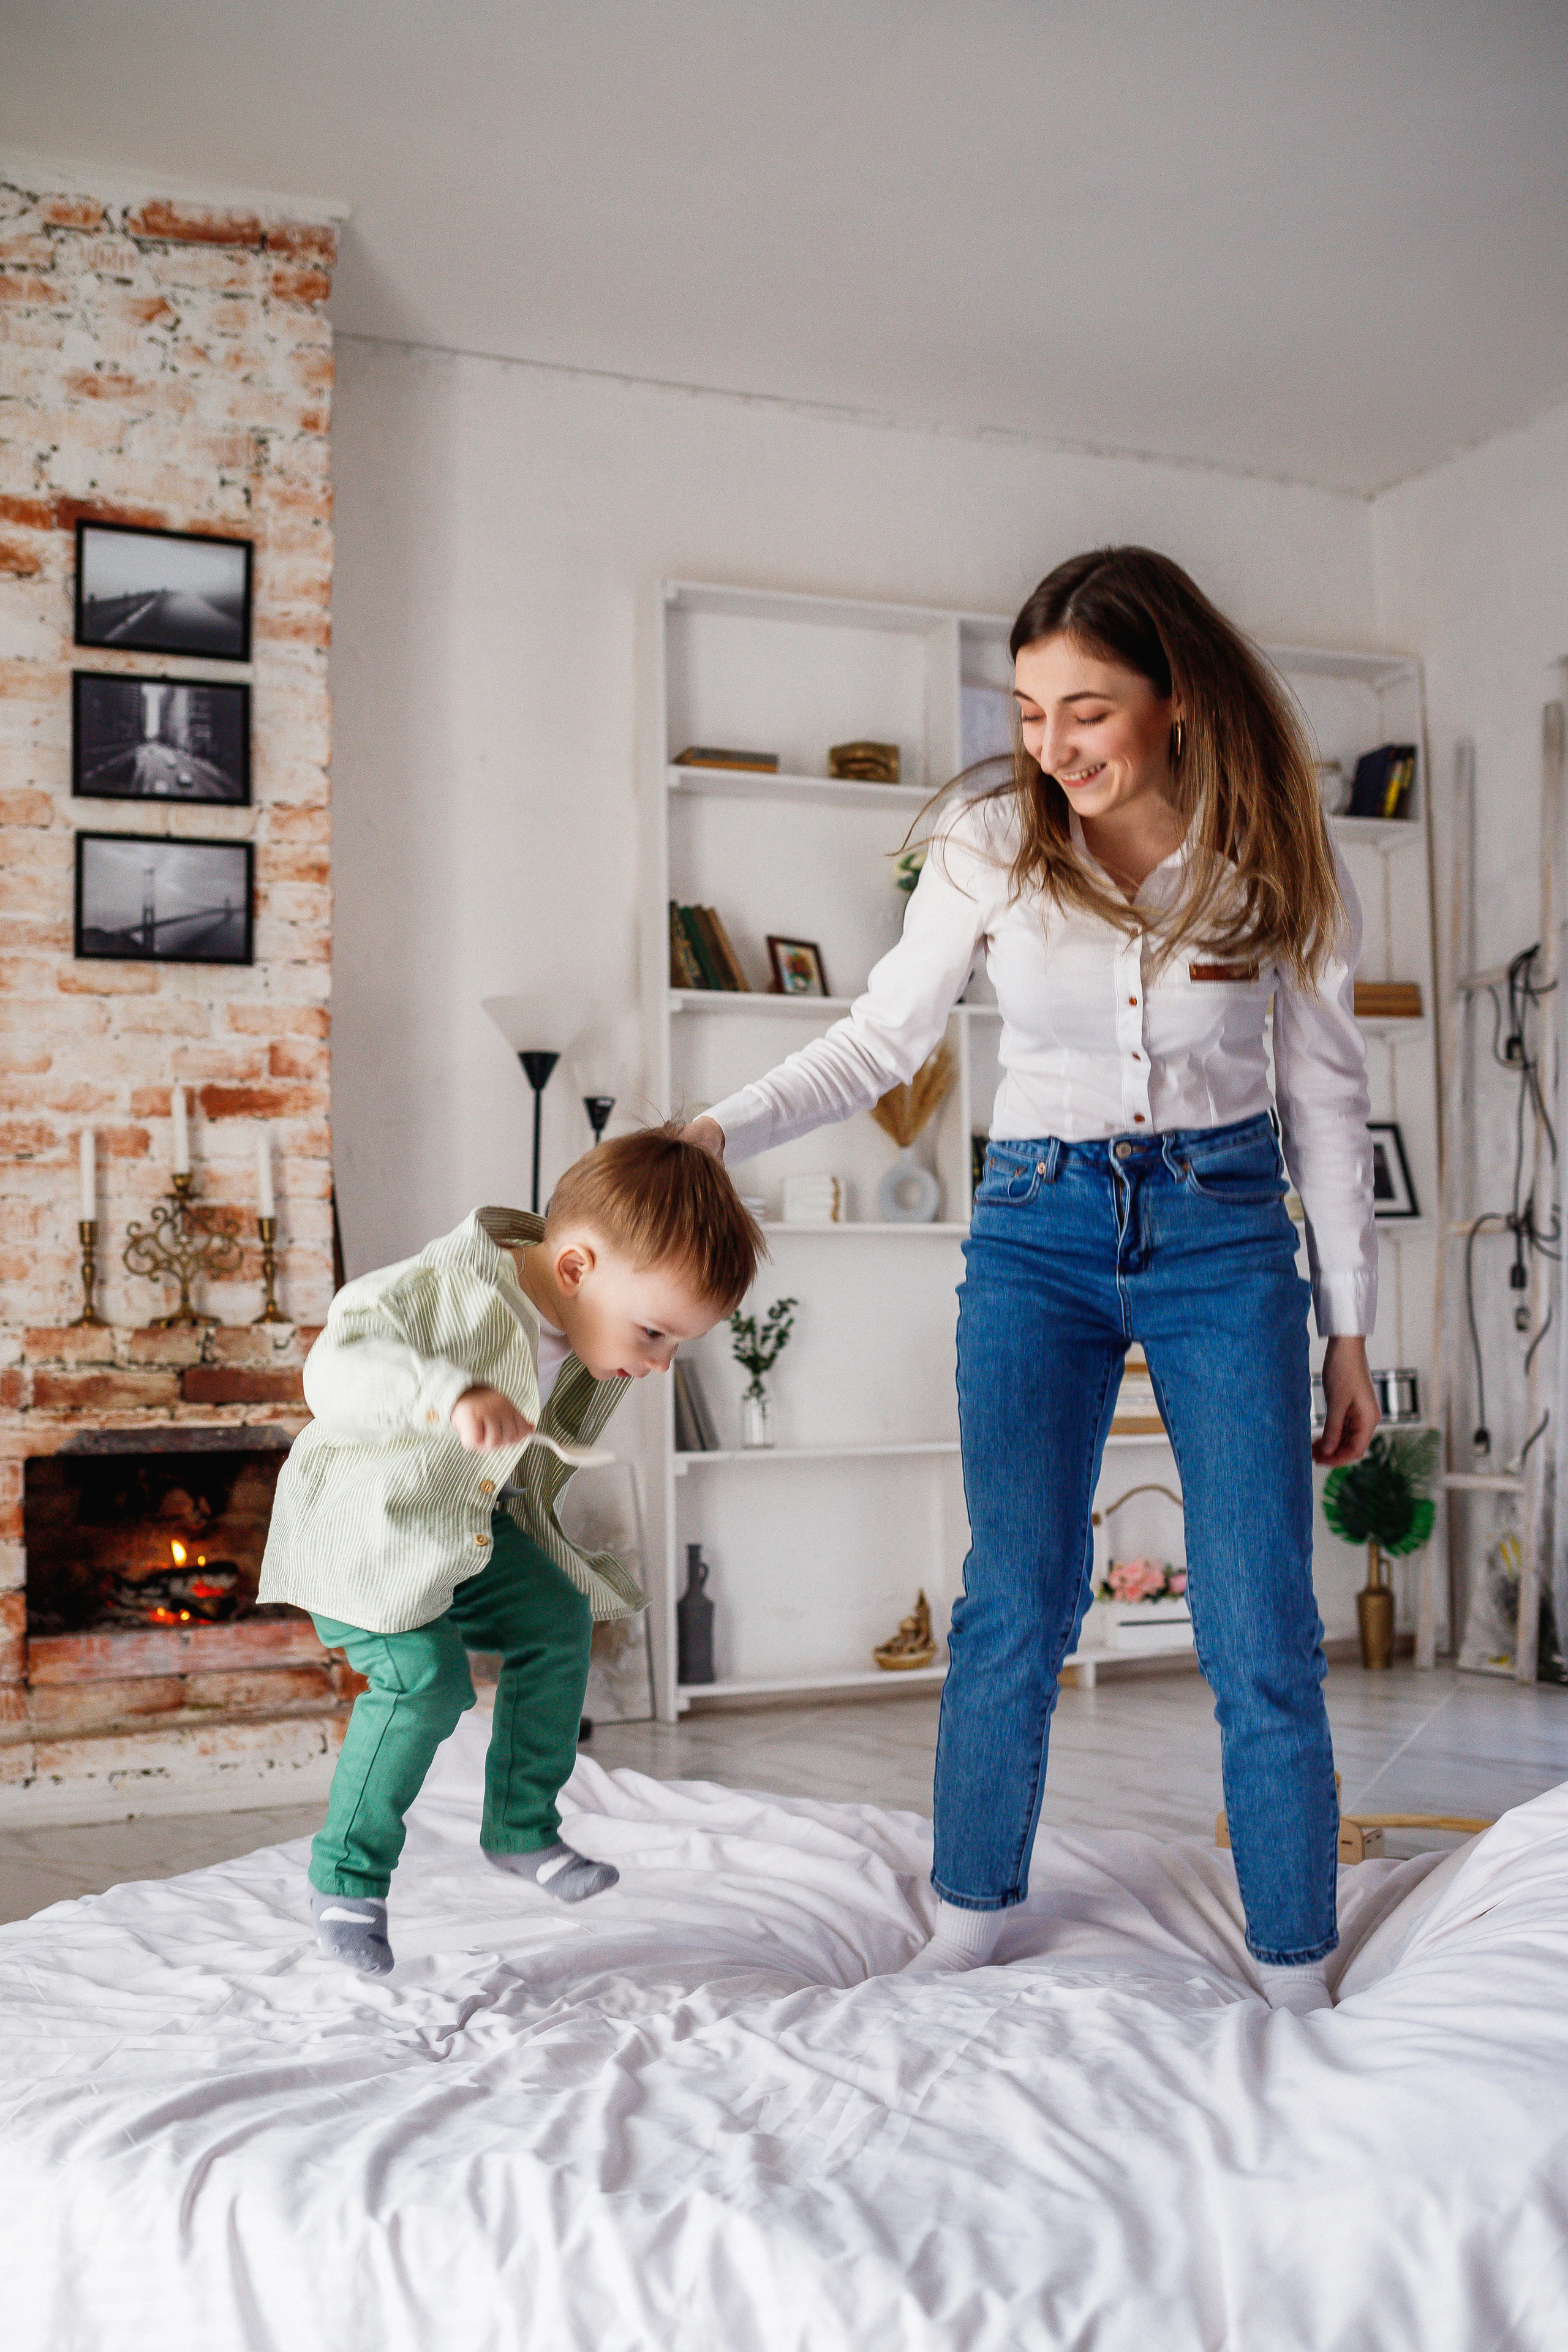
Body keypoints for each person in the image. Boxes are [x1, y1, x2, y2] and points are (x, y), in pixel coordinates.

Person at [685, 546, 1379, 2013]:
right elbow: (879, 1043)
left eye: (1087, 710)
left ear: (1173, 698)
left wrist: (1349, 1335)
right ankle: (968, 1912)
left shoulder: (1272, 849)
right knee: (1019, 1593)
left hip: (1225, 1234)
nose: (1051, 747)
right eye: (1027, 710)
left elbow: (1324, 1102)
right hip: (1036, 1231)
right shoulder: (995, 841)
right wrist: (714, 1129)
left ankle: (1292, 1955)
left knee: (1257, 1613)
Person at [260, 1126, 763, 1975]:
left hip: (461, 1529)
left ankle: (521, 1830)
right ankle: (346, 1878)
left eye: (676, 1344)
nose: (661, 1363)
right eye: (653, 1335)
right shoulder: (440, 1290)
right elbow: (335, 1368)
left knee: (559, 1618)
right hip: (368, 1539)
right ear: (575, 1269)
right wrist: (447, 1390)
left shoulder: (578, 1319)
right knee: (427, 1685)